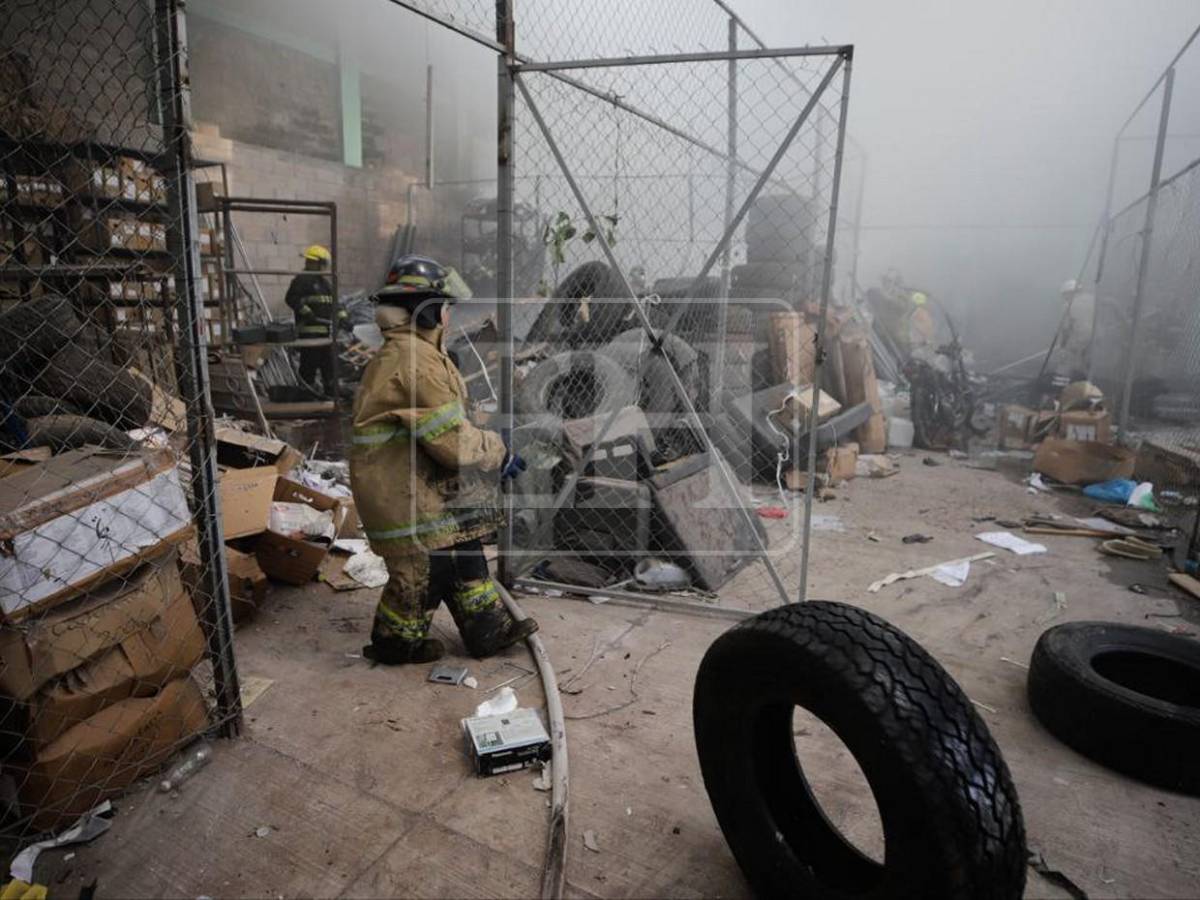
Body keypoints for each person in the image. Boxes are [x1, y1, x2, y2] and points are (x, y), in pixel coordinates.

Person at [349, 255, 535, 664]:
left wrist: (485, 443)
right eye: (445, 307)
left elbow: (445, 426)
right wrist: (496, 452)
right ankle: (396, 642)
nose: (449, 316)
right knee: (424, 569)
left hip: (416, 482)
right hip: (402, 492)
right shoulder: (413, 361)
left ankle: (486, 628)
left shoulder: (416, 354)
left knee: (463, 542)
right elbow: (449, 438)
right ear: (428, 311)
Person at [285, 244, 345, 395]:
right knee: (309, 365)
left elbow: (336, 303)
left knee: (329, 365)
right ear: (317, 262)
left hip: (325, 334)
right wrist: (306, 312)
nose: (325, 266)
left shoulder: (325, 283)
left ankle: (331, 393)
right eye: (324, 263)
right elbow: (291, 298)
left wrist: (343, 318)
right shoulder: (302, 280)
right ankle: (307, 394)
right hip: (309, 333)